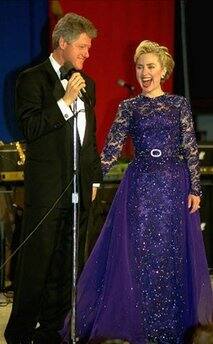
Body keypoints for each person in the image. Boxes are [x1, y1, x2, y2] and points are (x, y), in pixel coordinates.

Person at [60, 40, 213, 344]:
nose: (144, 72)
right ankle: (141, 321)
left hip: (173, 184)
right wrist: (93, 180)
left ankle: (170, 323)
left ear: (163, 70)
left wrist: (195, 187)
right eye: (140, 67)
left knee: (169, 252)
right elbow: (112, 150)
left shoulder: (178, 104)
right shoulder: (128, 107)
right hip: (140, 186)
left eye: (150, 66)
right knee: (140, 253)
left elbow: (190, 147)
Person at [4, 12, 102, 344]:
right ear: (62, 42)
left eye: (88, 48)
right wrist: (64, 102)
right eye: (82, 46)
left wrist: (95, 180)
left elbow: (89, 138)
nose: (87, 53)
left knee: (67, 265)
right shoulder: (30, 79)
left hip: (79, 189)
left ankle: (52, 331)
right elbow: (29, 128)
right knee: (37, 265)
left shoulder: (90, 84)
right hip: (47, 191)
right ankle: (19, 333)